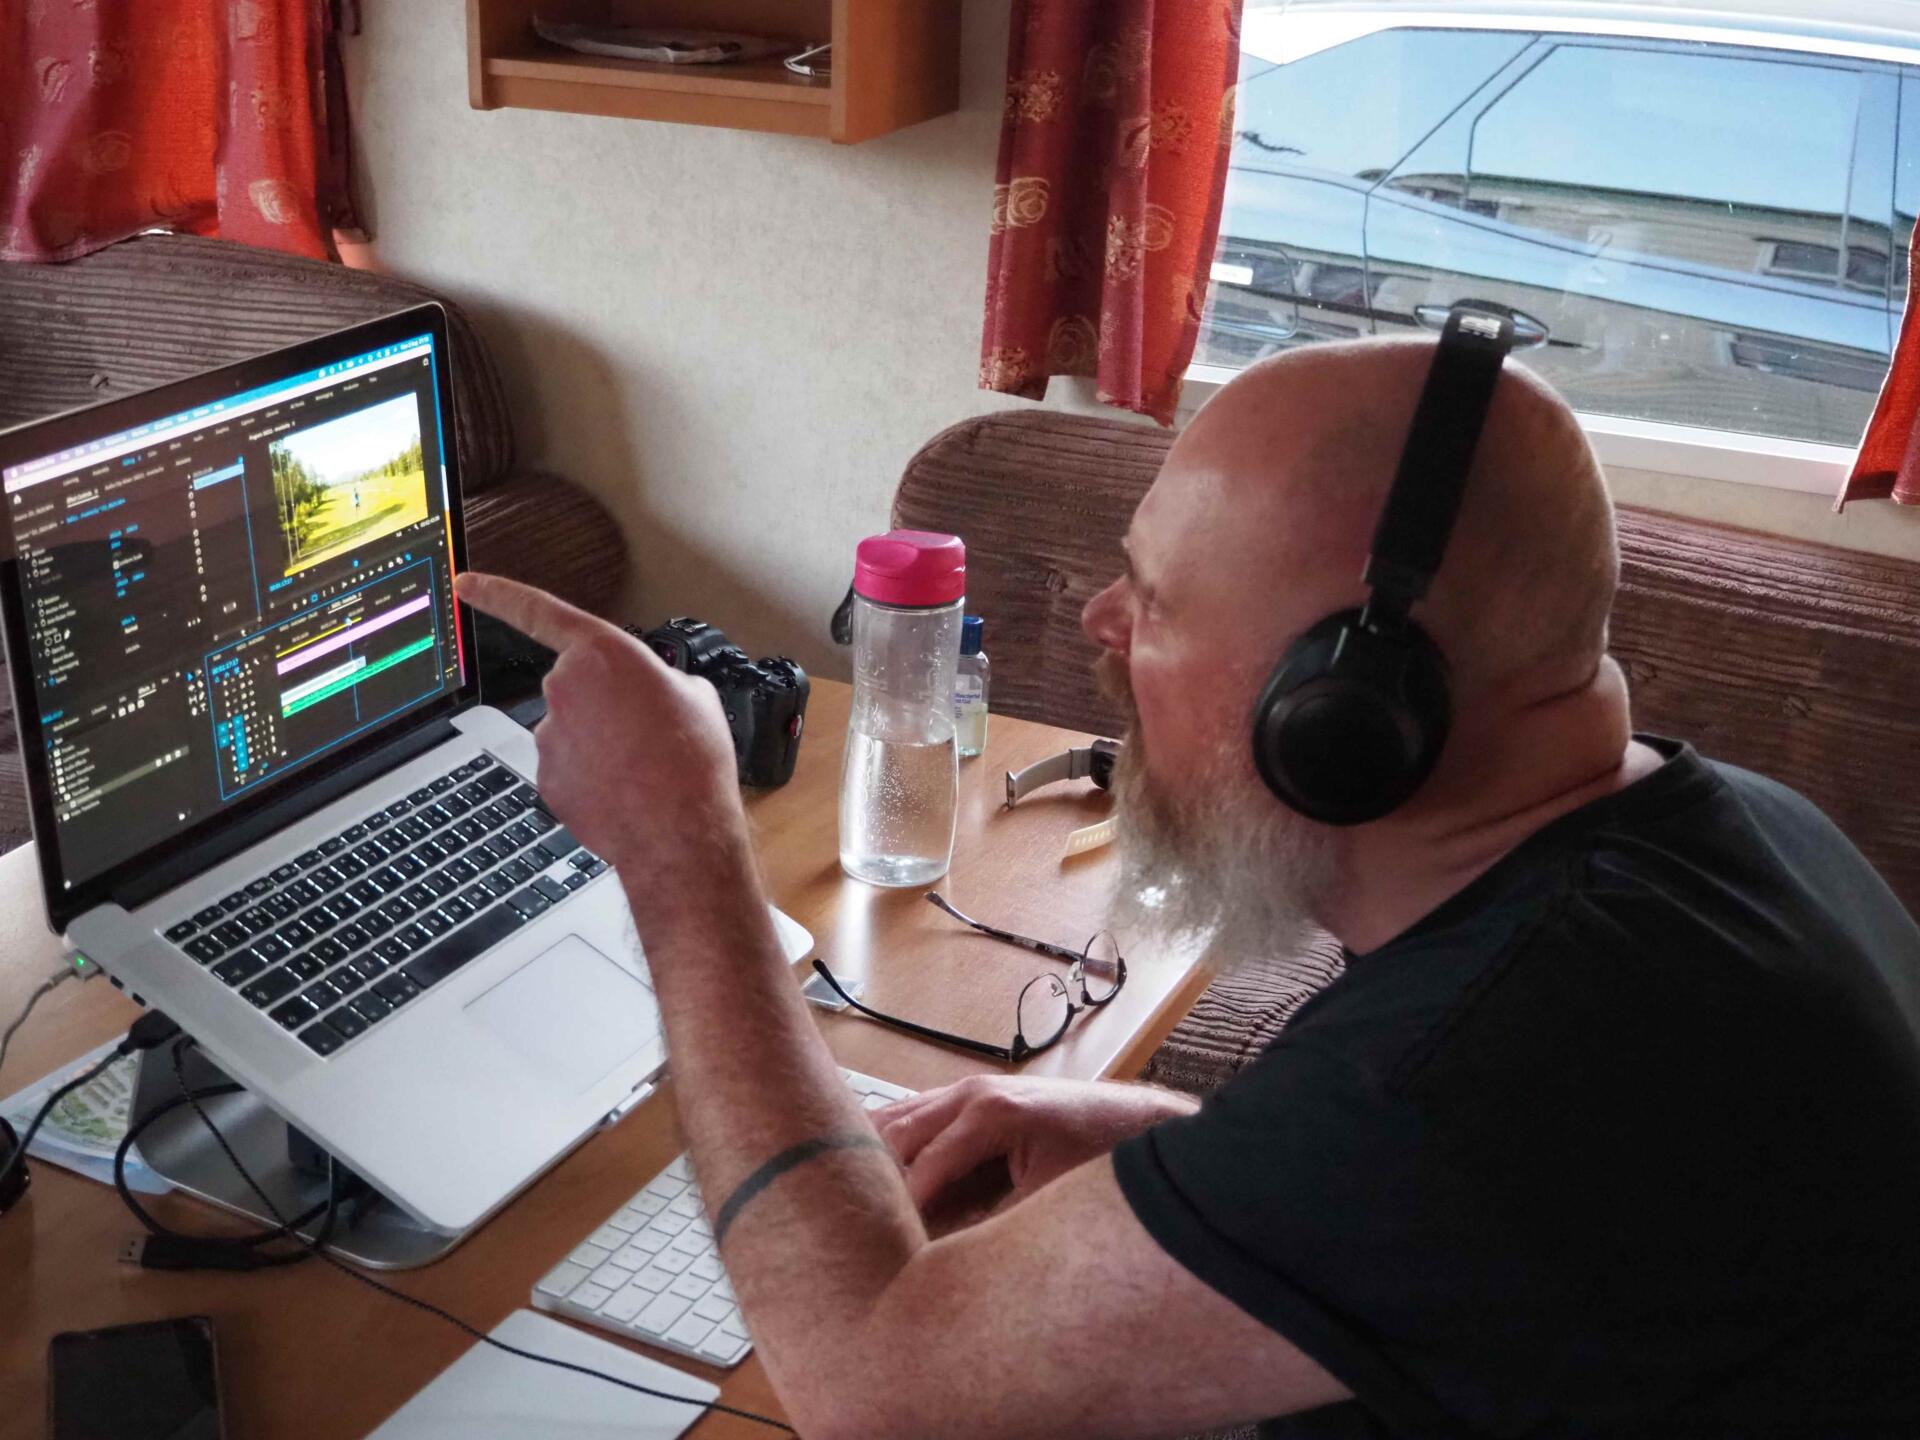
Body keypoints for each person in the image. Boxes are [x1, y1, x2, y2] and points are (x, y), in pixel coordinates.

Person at [457, 337, 1920, 1439]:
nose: (1103, 618)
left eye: (1155, 600)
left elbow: (873, 1387)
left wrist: (685, 854)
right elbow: (1506, 1223)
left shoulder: (1483, 1080)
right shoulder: (1733, 840)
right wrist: (1193, 1161)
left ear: (1341, 715)